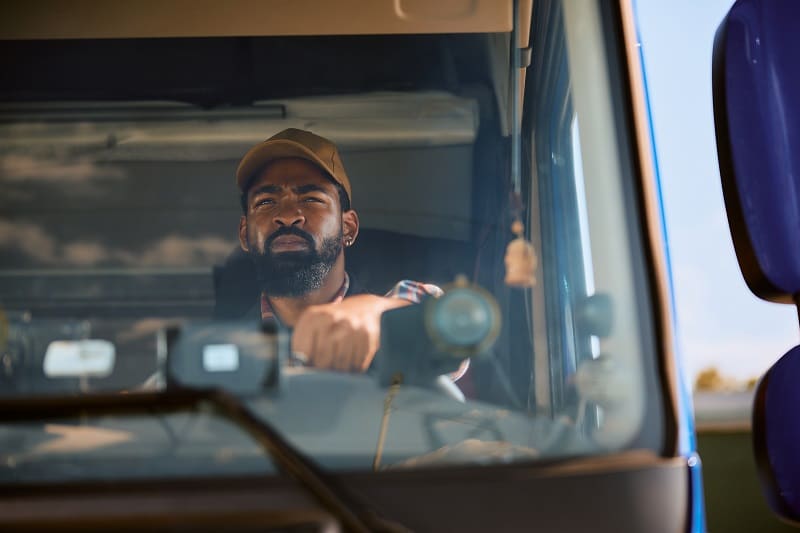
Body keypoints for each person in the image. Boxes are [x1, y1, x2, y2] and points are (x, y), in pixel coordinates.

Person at [235, 128, 442, 373]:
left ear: (349, 228)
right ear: (245, 234)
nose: (288, 216)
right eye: (266, 202)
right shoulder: (221, 353)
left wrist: (380, 313)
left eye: (311, 199)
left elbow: (454, 323)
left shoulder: (383, 327)